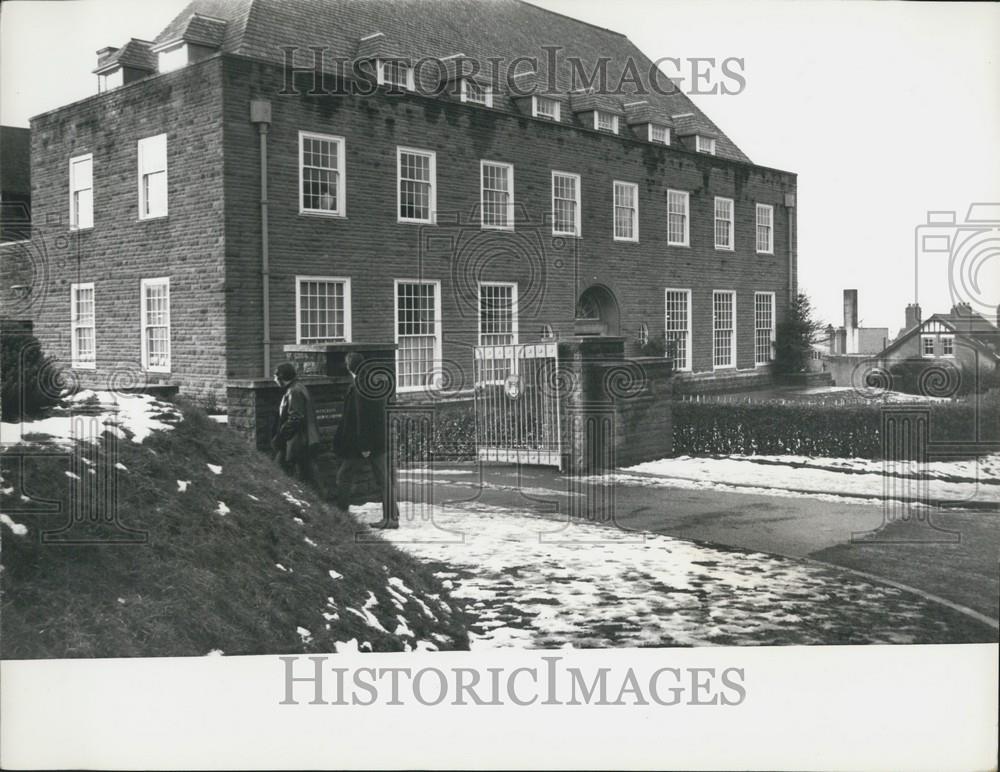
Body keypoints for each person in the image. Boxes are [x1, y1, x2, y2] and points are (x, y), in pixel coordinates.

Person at [333, 352, 400, 528]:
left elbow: (362, 417)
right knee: (383, 480)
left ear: (349, 367)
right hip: (377, 440)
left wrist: (365, 446)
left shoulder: (359, 385)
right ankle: (392, 517)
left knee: (344, 476)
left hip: (363, 444)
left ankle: (342, 515)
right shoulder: (372, 381)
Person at [270, 362, 321, 486]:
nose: (274, 379)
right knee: (307, 476)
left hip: (298, 442)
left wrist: (280, 437)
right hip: (303, 440)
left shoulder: (293, 391)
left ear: (281, 377)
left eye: (275, 376)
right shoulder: (299, 387)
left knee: (281, 474)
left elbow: (295, 417)